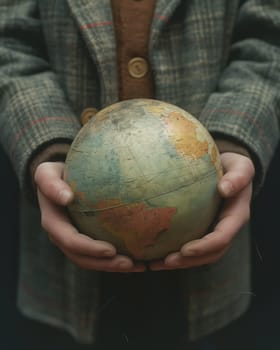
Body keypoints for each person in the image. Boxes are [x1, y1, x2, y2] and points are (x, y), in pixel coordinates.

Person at [0, 0, 279, 349]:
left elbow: (270, 40)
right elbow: (8, 42)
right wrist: (46, 147)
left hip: (213, 262)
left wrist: (233, 138)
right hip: (62, 272)